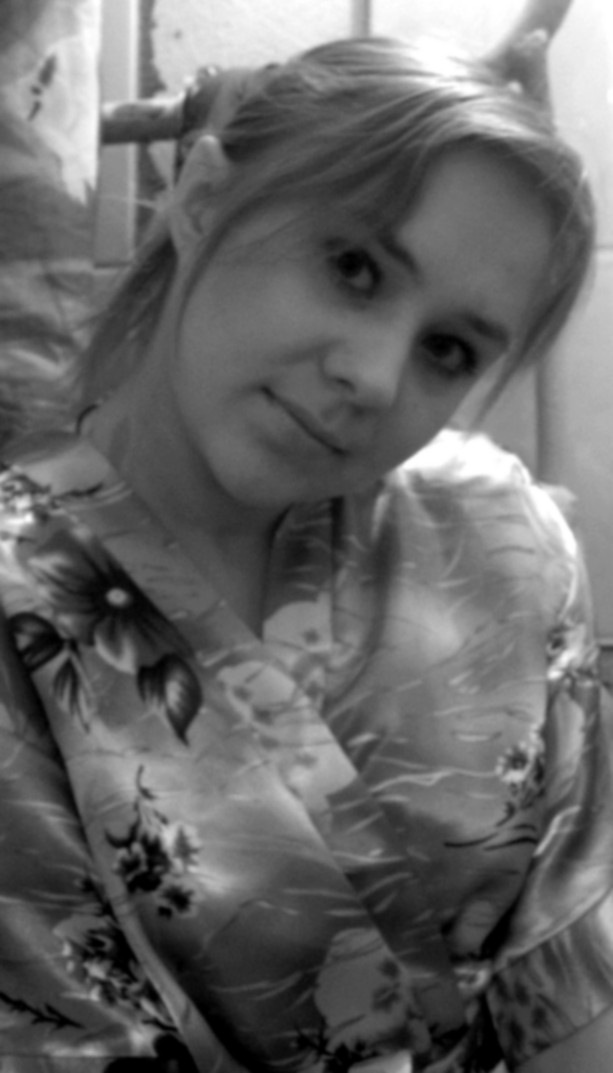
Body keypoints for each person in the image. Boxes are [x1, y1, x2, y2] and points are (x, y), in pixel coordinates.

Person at [0, 32, 611, 1073]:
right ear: (201, 200)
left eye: (447, 349)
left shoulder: (502, 540)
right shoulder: (21, 596)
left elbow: (566, 971)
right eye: (353, 267)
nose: (374, 378)